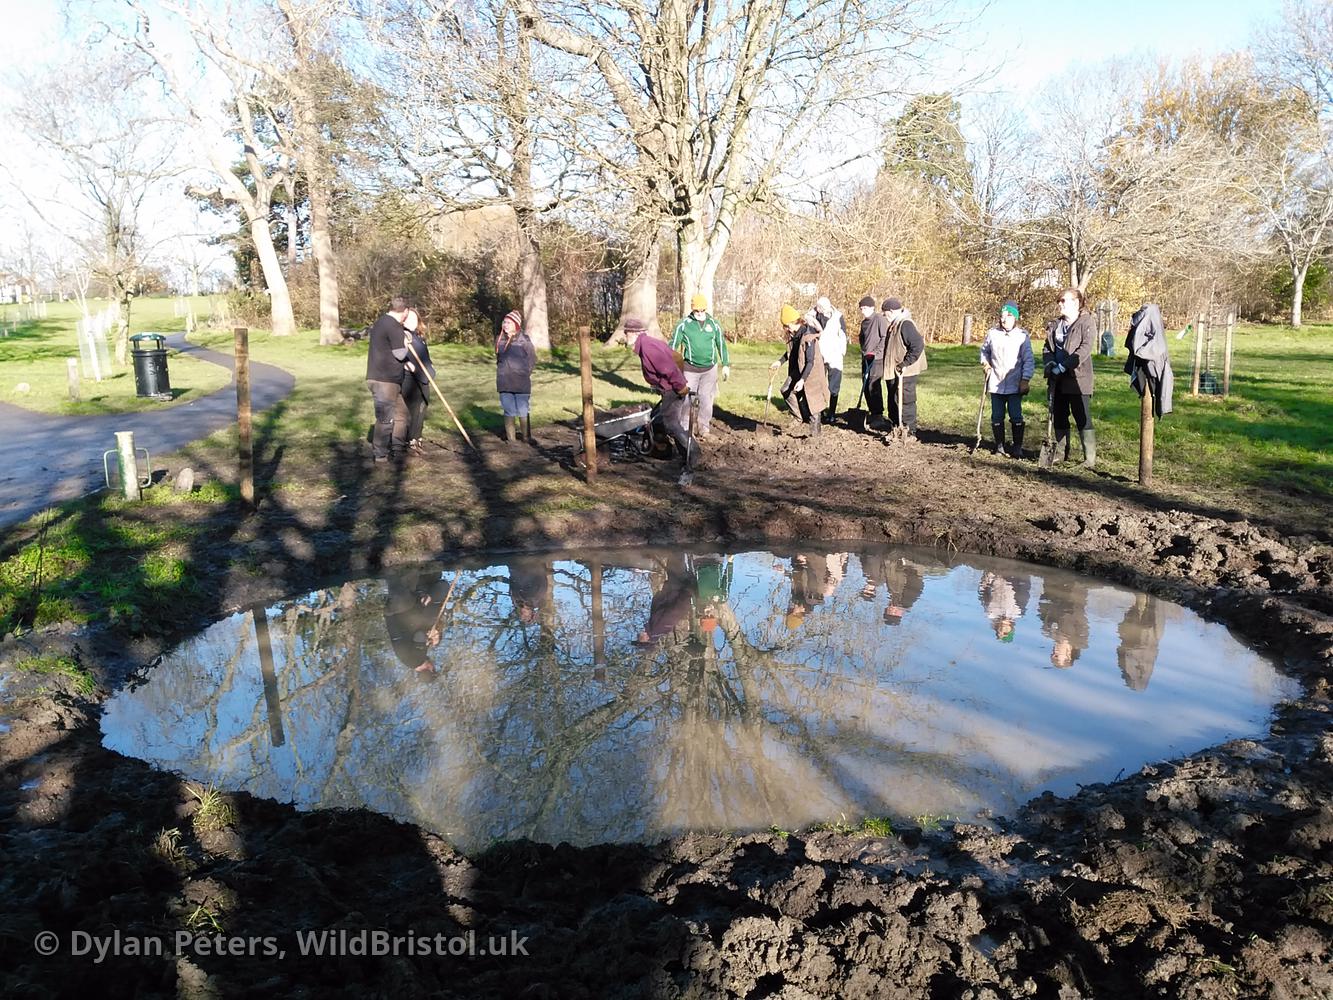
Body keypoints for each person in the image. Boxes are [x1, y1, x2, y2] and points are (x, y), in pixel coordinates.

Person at [629, 315, 696, 486]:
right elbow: (675, 357)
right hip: (670, 388)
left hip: (673, 389)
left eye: (627, 333)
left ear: (635, 333)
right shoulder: (647, 344)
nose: (626, 337)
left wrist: (680, 386)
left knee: (671, 424)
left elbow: (668, 367)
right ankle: (671, 452)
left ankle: (693, 454)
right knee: (661, 420)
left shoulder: (648, 347)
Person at [1043, 287, 1097, 467]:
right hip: (1057, 380)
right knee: (1059, 415)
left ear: (1075, 302)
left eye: (1063, 301)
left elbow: (1085, 349)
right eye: (1059, 301)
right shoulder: (1055, 325)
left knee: (1082, 416)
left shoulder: (1086, 322)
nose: (1060, 304)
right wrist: (1050, 364)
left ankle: (1089, 459)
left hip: (1078, 379)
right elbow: (1047, 348)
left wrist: (1064, 366)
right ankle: (1060, 453)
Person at [979, 300, 1035, 457]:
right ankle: (999, 446)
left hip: (1014, 383)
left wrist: (1025, 379)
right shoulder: (992, 334)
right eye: (1002, 315)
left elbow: (1028, 359)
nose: (1004, 319)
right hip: (996, 382)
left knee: (1016, 414)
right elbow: (985, 351)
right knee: (997, 415)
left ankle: (1017, 447)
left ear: (1015, 318)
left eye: (1009, 315)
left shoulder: (1022, 336)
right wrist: (985, 364)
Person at [670, 294, 730, 438]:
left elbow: (721, 344)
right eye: (697, 311)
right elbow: (673, 345)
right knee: (686, 400)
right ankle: (684, 429)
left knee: (706, 399)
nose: (700, 314)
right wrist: (669, 363)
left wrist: (726, 364)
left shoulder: (713, 324)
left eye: (702, 311)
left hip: (710, 369)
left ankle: (704, 428)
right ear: (692, 310)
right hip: (690, 369)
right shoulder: (684, 324)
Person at [365, 295, 412, 462]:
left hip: (386, 378)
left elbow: (387, 350)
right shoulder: (394, 326)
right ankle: (380, 454)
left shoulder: (380, 322)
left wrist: (407, 364)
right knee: (386, 418)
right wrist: (407, 342)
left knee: (401, 413)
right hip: (385, 380)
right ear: (405, 311)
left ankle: (398, 447)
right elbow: (400, 353)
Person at [770, 305, 829, 436]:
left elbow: (810, 361)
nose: (784, 328)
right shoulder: (794, 335)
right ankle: (798, 416)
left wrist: (802, 380)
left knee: (813, 403)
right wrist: (779, 362)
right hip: (798, 368)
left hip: (811, 371)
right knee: (786, 390)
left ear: (791, 323)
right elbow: (790, 353)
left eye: (785, 325)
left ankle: (815, 436)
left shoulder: (808, 336)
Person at [881, 297, 926, 437]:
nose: (884, 315)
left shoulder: (905, 324)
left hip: (906, 371)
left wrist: (905, 363)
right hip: (895, 370)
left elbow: (917, 345)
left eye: (885, 312)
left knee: (906, 400)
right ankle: (896, 427)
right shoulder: (895, 324)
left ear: (892, 311)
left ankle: (909, 430)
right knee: (893, 399)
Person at [496, 309, 537, 444]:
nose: (505, 325)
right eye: (504, 322)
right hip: (504, 382)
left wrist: (524, 373)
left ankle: (526, 437)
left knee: (523, 409)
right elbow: (499, 360)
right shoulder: (499, 340)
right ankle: (511, 440)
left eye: (508, 322)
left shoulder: (524, 340)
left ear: (516, 325)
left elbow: (532, 359)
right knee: (509, 410)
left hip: (521, 382)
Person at [401, 309, 435, 456]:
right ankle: (410, 440)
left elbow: (426, 357)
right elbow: (397, 355)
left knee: (423, 406)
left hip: (424, 377)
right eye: (409, 319)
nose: (412, 322)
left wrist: (431, 368)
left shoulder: (420, 337)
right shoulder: (401, 335)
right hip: (409, 377)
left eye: (414, 319)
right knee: (412, 409)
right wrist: (406, 364)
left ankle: (417, 438)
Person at [1037, 577, 1091, 668]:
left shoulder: (1048, 632)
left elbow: (1044, 610)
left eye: (1053, 655)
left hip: (1054, 589)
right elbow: (1079, 615)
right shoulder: (1080, 639)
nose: (1054, 652)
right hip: (1074, 593)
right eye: (1057, 656)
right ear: (1068, 656)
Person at [856, 295, 888, 427]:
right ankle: (872, 412)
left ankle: (878, 415)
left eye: (864, 308)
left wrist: (875, 353)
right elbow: (862, 338)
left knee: (873, 385)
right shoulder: (864, 323)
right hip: (866, 357)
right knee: (865, 385)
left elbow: (884, 338)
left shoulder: (879, 319)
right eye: (861, 308)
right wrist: (864, 351)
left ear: (871, 308)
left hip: (877, 359)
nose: (862, 311)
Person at [815, 296, 848, 424]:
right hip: (820, 355)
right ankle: (820, 411)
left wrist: (841, 352)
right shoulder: (815, 316)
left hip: (834, 356)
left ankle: (832, 413)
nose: (820, 310)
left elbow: (843, 335)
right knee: (819, 384)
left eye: (821, 308)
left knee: (834, 386)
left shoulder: (838, 317)